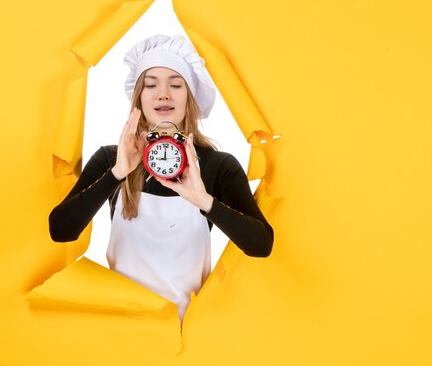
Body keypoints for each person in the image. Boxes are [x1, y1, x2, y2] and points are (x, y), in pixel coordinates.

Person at [49, 34, 274, 321]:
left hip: (186, 336)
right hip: (120, 328)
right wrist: (117, 173)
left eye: (176, 84)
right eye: (151, 84)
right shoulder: (111, 159)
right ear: (139, 98)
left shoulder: (218, 166)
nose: (163, 93)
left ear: (190, 97)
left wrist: (204, 201)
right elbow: (61, 230)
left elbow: (261, 245)